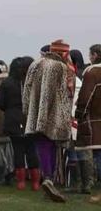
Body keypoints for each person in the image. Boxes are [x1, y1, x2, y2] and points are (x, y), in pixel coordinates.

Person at [24, 39, 76, 202]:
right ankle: (49, 179)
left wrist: (27, 111)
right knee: (53, 145)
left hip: (36, 113)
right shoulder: (63, 68)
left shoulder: (35, 64)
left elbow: (26, 89)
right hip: (55, 114)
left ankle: (47, 178)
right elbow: (66, 94)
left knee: (42, 145)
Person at [0, 56, 40, 191]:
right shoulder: (35, 83)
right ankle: (35, 183)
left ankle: (21, 183)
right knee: (32, 151)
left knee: (18, 152)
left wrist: (10, 109)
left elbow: (0, 103)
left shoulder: (7, 83)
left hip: (13, 120)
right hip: (31, 119)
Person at [74, 44, 101, 203]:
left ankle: (92, 188)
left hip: (93, 120)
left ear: (96, 55)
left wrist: (79, 114)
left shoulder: (93, 73)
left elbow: (86, 97)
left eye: (90, 54)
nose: (89, 57)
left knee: (96, 155)